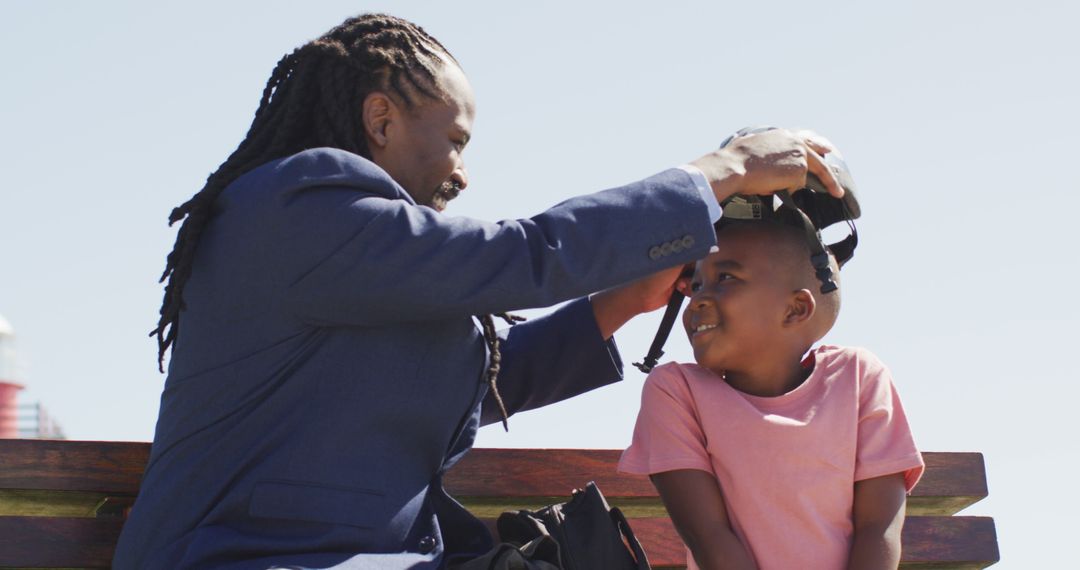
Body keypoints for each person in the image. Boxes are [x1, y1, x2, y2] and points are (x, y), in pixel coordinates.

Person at [114, 13, 845, 570]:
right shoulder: (298, 205)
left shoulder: (366, 268)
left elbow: (482, 375)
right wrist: (720, 171)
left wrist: (623, 299)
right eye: (456, 139)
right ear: (380, 120)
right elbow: (521, 255)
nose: (463, 173)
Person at [618, 218, 925, 570]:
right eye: (697, 284)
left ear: (795, 309)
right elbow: (709, 536)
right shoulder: (676, 391)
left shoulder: (858, 377)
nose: (698, 300)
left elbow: (879, 529)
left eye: (726, 278)